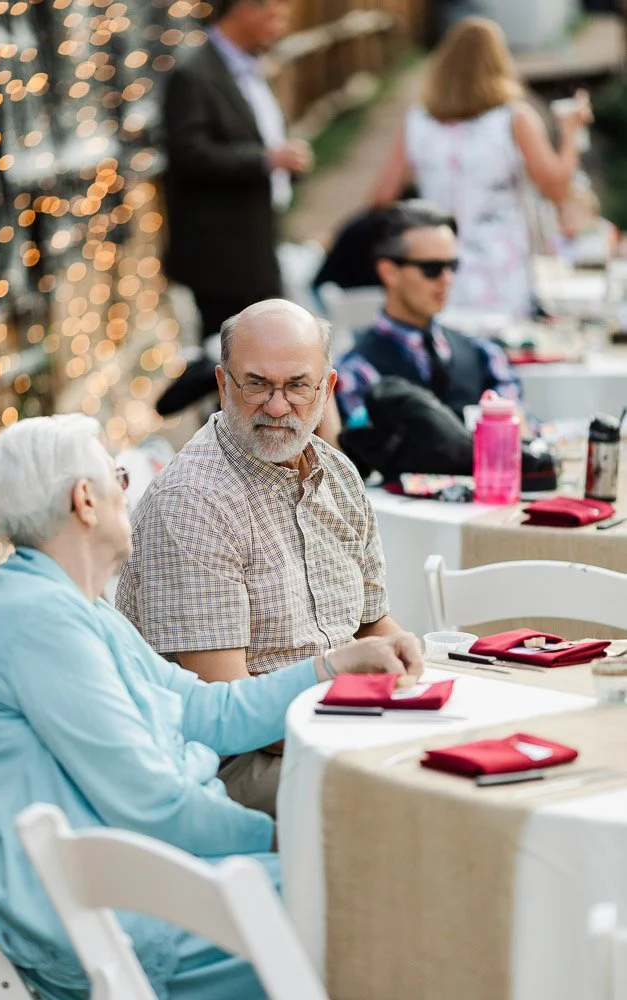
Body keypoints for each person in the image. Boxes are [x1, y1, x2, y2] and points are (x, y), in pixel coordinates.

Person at [0, 414, 423, 1000]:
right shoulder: (39, 622)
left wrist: (330, 667)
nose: (126, 491)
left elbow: (205, 710)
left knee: (374, 880)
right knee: (374, 893)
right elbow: (153, 803)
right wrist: (287, 836)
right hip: (104, 920)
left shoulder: (77, 608)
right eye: (118, 477)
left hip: (137, 881)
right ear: (85, 500)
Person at [117, 299, 414, 815]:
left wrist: (408, 667)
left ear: (326, 388)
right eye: (256, 384)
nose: (277, 407)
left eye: (297, 385)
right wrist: (373, 730)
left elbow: (373, 625)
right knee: (404, 800)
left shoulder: (337, 476)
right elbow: (225, 715)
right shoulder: (194, 502)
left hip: (333, 723)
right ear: (224, 383)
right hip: (227, 765)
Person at [371, 16, 593, 318]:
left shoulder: (418, 122)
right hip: (500, 265)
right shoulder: (514, 117)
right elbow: (556, 189)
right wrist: (571, 133)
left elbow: (383, 196)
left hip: (438, 265)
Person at [162, 0, 313, 340]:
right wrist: (265, 159)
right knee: (234, 358)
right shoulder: (193, 74)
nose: (280, 27)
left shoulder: (249, 67)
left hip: (257, 238)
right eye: (275, 16)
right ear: (247, 10)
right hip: (222, 257)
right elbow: (189, 154)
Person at [334, 200, 522, 424]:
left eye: (452, 266)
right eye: (431, 269)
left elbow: (523, 431)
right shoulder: (356, 373)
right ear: (389, 272)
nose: (446, 279)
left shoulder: (484, 354)